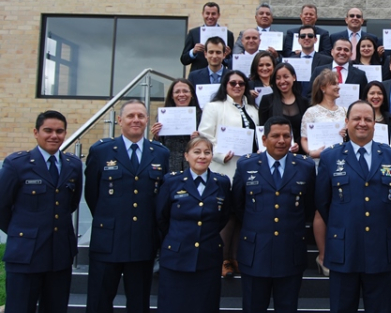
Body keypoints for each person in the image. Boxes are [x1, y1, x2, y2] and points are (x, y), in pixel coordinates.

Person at [316, 100, 391, 313]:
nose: (362, 123)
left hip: (380, 249)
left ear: (376, 124)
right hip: (344, 249)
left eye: (368, 119)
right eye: (357, 118)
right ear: (347, 122)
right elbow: (323, 201)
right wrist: (344, 224)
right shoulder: (330, 157)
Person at [84, 100, 170, 313]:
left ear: (147, 121)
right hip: (108, 240)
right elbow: (92, 195)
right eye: (131, 116)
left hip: (142, 239)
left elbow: (161, 198)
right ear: (120, 121)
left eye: (141, 116)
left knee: (139, 303)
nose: (136, 120)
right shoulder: (101, 151)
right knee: (99, 302)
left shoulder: (160, 153)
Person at [0, 111, 83, 313]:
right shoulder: (17, 164)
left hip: (59, 255)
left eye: (59, 131)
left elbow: (70, 204)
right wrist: (22, 232)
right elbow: (2, 206)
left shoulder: (73, 165)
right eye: (48, 130)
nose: (54, 135)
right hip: (25, 254)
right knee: (20, 308)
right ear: (36, 133)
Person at [232, 117, 317, 313]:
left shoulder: (305, 166)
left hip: (290, 252)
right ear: (264, 139)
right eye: (275, 136)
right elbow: (238, 204)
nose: (281, 140)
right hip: (255, 254)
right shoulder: (246, 165)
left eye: (286, 136)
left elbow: (310, 205)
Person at [155, 136, 231, 313]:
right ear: (186, 156)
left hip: (208, 257)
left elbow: (223, 217)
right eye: (196, 152)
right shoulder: (171, 181)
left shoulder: (222, 183)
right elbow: (161, 217)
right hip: (176, 257)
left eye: (207, 152)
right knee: (173, 306)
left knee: (204, 305)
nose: (202, 156)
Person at [198, 70, 259, 278]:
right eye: (232, 83)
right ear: (225, 85)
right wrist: (220, 155)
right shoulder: (214, 107)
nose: (237, 86)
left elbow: (255, 137)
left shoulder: (252, 109)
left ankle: (235, 258)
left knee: (240, 212)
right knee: (225, 214)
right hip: (224, 167)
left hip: (246, 169)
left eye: (241, 83)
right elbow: (205, 137)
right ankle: (223, 259)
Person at [300, 69, 348, 276]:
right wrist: (311, 152)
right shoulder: (311, 112)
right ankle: (322, 255)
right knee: (321, 208)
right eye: (334, 83)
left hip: (343, 165)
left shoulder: (345, 111)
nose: (338, 86)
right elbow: (303, 138)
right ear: (323, 88)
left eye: (337, 83)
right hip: (320, 163)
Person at [152, 78, 202, 172]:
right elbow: (157, 149)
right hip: (170, 168)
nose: (181, 95)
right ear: (172, 95)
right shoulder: (163, 117)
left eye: (185, 91)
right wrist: (156, 137)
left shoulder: (202, 117)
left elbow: (209, 144)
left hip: (194, 168)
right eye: (177, 92)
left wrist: (200, 138)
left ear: (192, 94)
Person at [258, 62, 308, 151]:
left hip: (299, 153)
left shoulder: (304, 102)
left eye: (286, 76)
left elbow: (306, 131)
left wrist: (298, 144)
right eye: (278, 78)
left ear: (294, 77)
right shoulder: (267, 100)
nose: (282, 81)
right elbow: (262, 128)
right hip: (274, 151)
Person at [180, 1, 235, 71]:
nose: (210, 16)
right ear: (203, 14)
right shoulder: (193, 33)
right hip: (198, 76)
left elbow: (231, 63)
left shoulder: (228, 34)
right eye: (207, 13)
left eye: (213, 14)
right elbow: (184, 60)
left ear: (218, 15)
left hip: (220, 76)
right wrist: (193, 51)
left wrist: (228, 55)